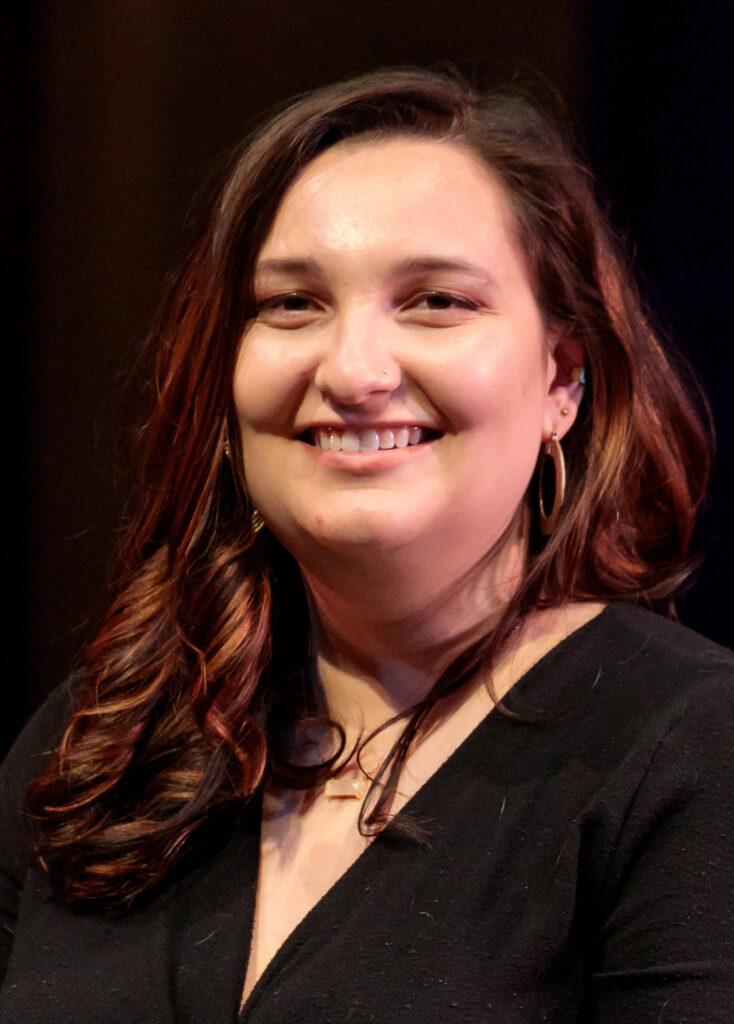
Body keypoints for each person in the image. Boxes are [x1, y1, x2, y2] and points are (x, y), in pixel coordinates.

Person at [0, 66, 732, 1023]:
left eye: (437, 301)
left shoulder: (690, 751)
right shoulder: (110, 738)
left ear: (562, 380)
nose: (353, 372)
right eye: (292, 304)